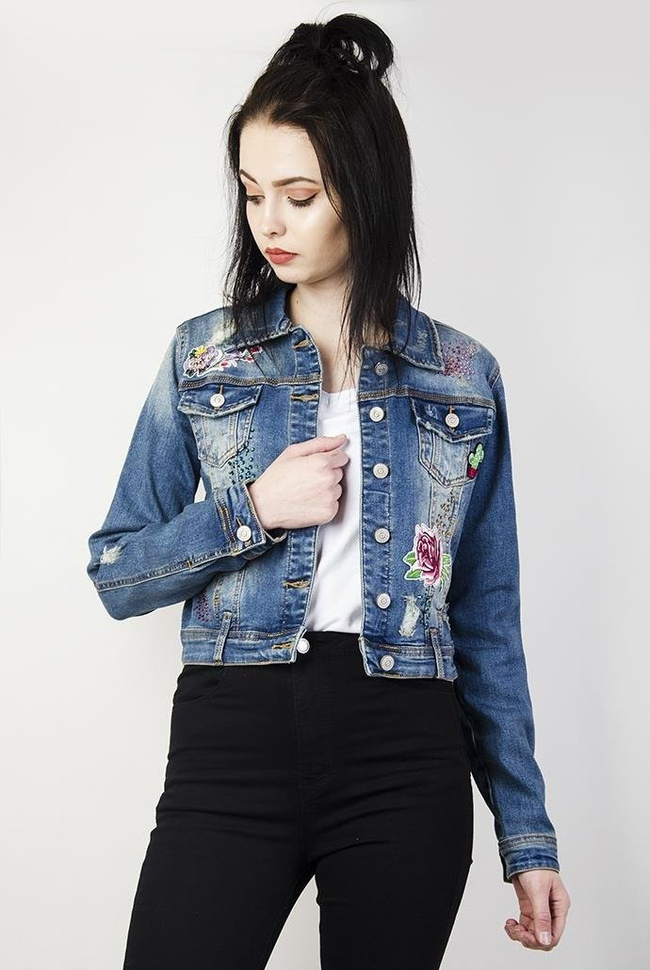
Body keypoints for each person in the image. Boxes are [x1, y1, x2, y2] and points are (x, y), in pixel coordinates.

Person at [86, 13, 571, 969]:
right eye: (252, 192)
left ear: (367, 189)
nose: (268, 222)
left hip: (405, 754)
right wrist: (252, 512)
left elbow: (486, 616)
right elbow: (117, 572)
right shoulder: (205, 357)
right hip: (231, 744)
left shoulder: (462, 377)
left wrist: (527, 835)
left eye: (299, 195)